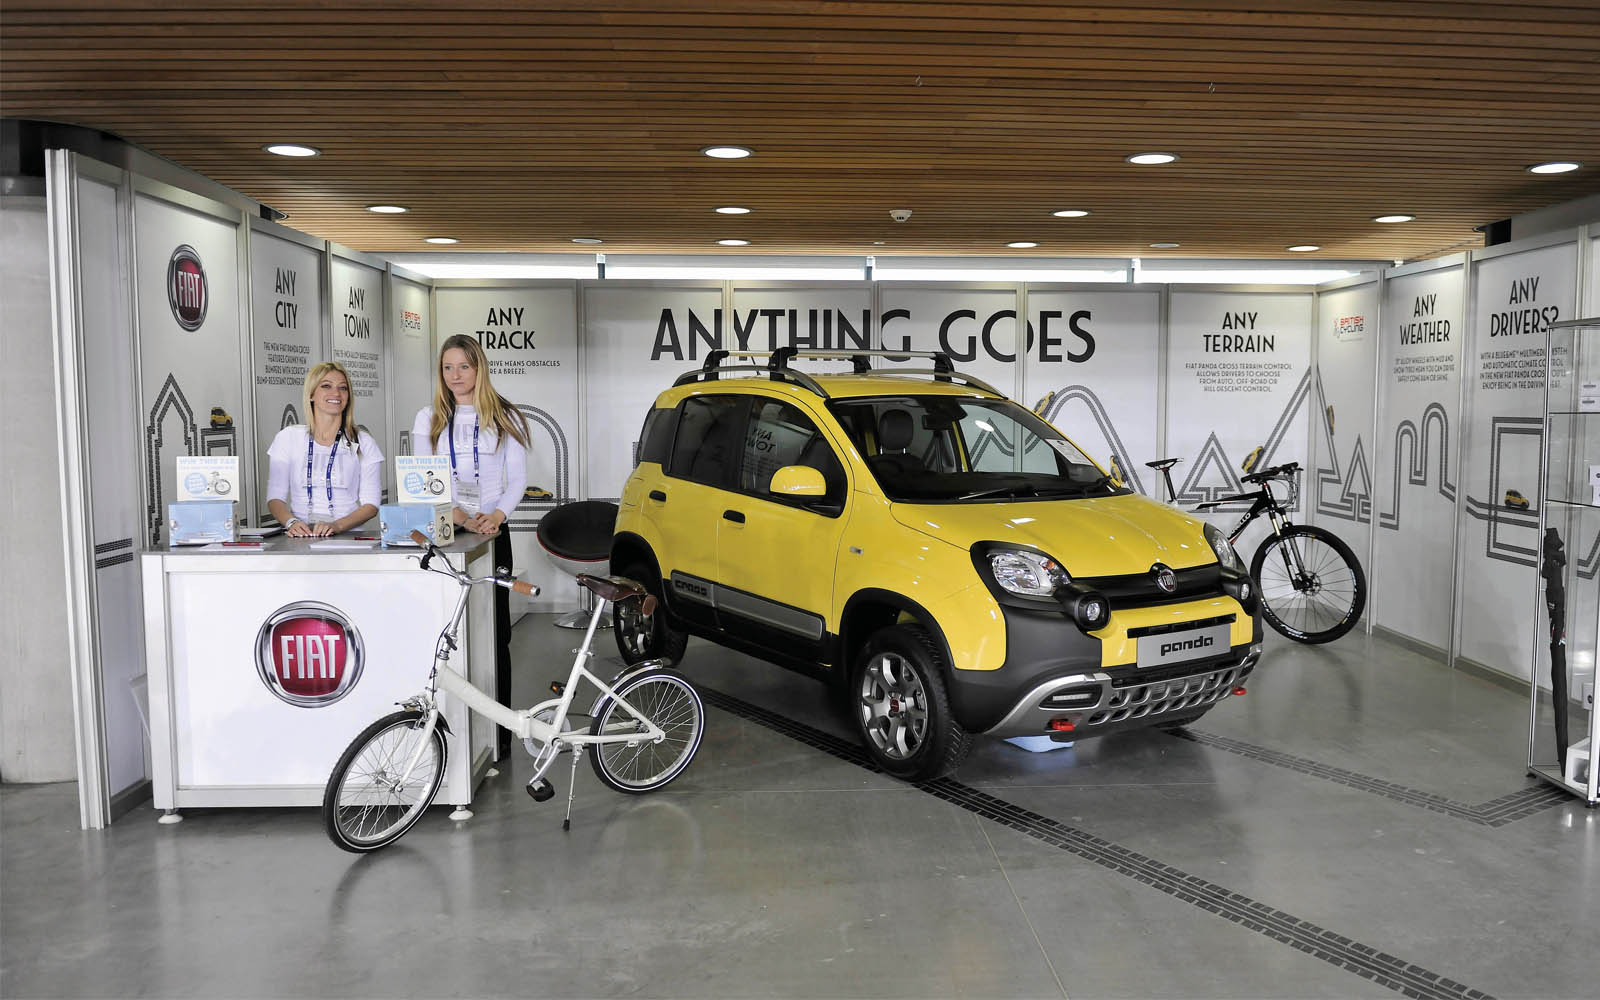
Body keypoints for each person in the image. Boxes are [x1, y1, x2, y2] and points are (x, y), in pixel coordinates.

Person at [412, 335, 530, 757]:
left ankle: (498, 736)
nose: (456, 375)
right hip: (449, 527)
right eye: (448, 367)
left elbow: (516, 479)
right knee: (449, 628)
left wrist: (495, 516)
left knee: (494, 631)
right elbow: (424, 477)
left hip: (495, 531)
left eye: (464, 366)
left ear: (479, 369)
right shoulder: (429, 417)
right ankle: (448, 731)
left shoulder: (504, 415)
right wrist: (460, 516)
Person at [266, 362, 383, 537]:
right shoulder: (288, 438)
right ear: (311, 394)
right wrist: (292, 522)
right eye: (326, 386)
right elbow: (275, 498)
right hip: (300, 538)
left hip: (347, 538)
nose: (336, 393)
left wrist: (336, 526)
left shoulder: (364, 442)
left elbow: (371, 505)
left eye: (343, 388)